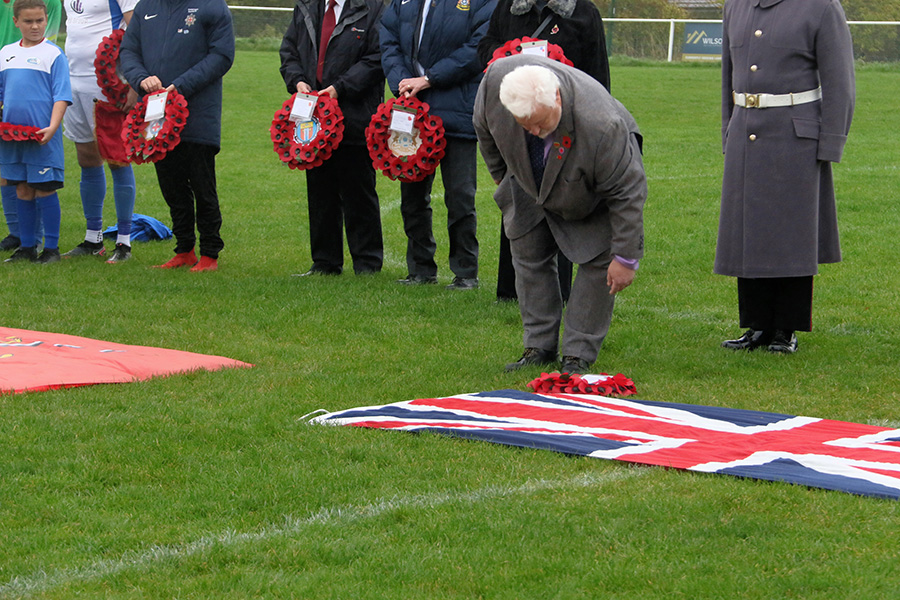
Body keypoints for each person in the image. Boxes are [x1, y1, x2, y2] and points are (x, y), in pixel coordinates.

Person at [473, 55, 645, 373]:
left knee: (597, 260)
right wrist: (501, 174)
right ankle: (538, 346)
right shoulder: (495, 84)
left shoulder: (603, 125)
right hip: (527, 178)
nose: (535, 131)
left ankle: (577, 353)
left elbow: (628, 193)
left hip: (587, 182)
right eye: (526, 125)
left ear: (556, 98)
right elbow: (483, 129)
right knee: (528, 254)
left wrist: (625, 258)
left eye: (541, 122)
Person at [716, 0, 854, 354]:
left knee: (792, 235)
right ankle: (757, 324)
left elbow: (839, 81)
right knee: (749, 231)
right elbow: (728, 77)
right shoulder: (735, 6)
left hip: (795, 138)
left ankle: (785, 328)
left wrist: (831, 142)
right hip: (745, 132)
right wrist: (728, 131)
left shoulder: (821, 7)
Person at [477, 0, 610, 302]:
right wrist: (507, 55)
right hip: (517, 121)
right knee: (518, 202)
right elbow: (485, 47)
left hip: (563, 123)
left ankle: (558, 290)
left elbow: (597, 76)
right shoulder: (508, 7)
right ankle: (511, 290)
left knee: (561, 204)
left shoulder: (583, 12)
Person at [380, 0, 496, 290]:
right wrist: (403, 82)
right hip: (411, 109)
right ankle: (420, 269)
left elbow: (478, 47)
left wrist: (429, 79)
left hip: (456, 109)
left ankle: (465, 272)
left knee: (460, 197)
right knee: (412, 197)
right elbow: (388, 39)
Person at [119, 0, 234, 272]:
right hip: (156, 117)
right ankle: (184, 250)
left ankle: (210, 253)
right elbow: (129, 50)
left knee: (202, 185)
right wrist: (141, 78)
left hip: (198, 113)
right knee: (171, 185)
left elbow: (222, 55)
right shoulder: (146, 6)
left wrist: (180, 86)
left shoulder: (212, 5)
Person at [279, 0, 385, 277]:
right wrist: (297, 80)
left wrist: (340, 87)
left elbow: (377, 57)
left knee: (358, 193)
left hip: (355, 114)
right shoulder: (306, 6)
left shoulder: (372, 8)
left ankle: (367, 263)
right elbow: (289, 50)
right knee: (319, 192)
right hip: (312, 119)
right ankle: (325, 262)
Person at [60, 0, 138, 263]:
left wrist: (133, 83)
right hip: (72, 80)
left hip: (107, 83)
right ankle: (93, 238)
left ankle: (124, 242)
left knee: (117, 158)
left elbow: (138, 31)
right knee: (86, 157)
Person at [0, 0, 71, 264]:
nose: (35, 26)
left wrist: (53, 127)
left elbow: (61, 95)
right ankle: (27, 247)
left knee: (44, 189)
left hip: (43, 137)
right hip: (12, 139)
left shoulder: (53, 54)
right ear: (16, 22)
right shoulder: (6, 53)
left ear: (46, 19)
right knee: (22, 189)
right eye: (28, 21)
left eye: (39, 21)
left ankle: (51, 249)